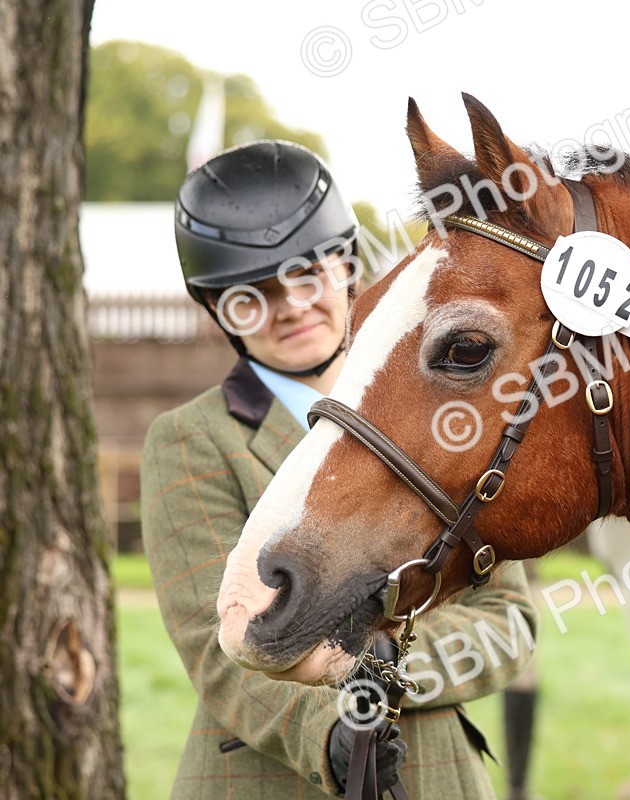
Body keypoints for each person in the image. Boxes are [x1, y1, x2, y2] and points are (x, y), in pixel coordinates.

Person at [141, 140, 537, 799]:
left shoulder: (439, 413)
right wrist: (330, 731)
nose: (291, 306)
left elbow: (509, 621)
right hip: (268, 779)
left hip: (438, 775)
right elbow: (220, 650)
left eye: (307, 275)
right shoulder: (190, 440)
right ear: (218, 312)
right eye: (252, 296)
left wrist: (384, 671)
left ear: (346, 265)